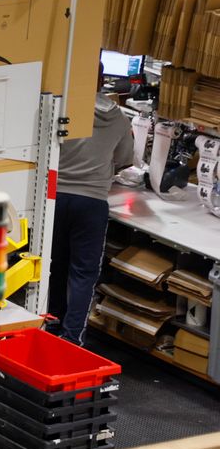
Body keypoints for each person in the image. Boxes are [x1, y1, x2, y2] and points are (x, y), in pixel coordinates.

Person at [48, 65, 135, 346]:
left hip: (55, 197)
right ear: (102, 80)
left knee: (54, 265)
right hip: (93, 201)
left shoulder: (62, 108)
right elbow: (124, 159)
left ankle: (51, 323)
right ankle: (73, 338)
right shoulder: (120, 119)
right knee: (83, 273)